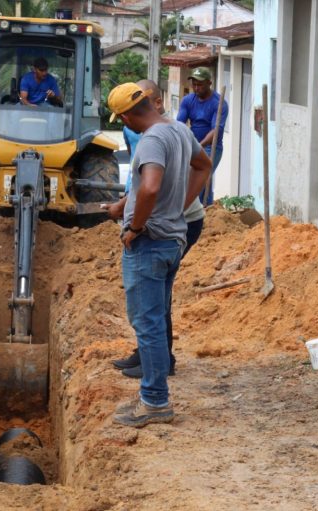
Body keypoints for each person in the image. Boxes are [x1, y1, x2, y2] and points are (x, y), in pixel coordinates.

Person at [107, 82, 211, 427]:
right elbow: (203, 164)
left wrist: (135, 226)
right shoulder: (179, 130)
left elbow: (150, 186)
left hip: (149, 243)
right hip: (171, 239)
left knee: (147, 324)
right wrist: (178, 208)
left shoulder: (151, 139)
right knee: (155, 317)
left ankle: (154, 402)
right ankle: (153, 396)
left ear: (125, 115)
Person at [176, 67, 229, 205]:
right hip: (193, 144)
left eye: (200, 85)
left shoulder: (219, 103)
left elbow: (215, 130)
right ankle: (206, 209)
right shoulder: (188, 100)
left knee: (200, 179)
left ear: (209, 83)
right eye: (194, 84)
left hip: (211, 147)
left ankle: (201, 211)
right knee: (193, 180)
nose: (196, 88)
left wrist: (200, 146)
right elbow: (179, 124)